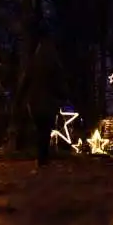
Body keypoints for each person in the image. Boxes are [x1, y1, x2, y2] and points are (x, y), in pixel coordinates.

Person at [27, 27, 67, 167]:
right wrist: (62, 96)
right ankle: (43, 158)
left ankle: (41, 157)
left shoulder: (33, 63)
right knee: (46, 129)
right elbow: (60, 83)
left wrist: (21, 99)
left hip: (34, 101)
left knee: (40, 129)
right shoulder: (54, 64)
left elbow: (25, 81)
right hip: (49, 102)